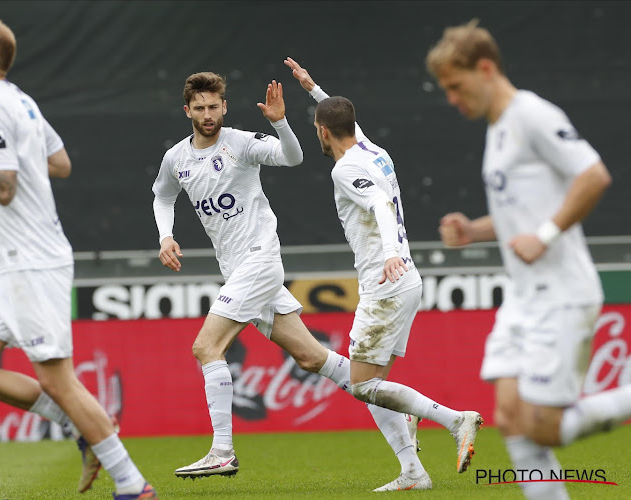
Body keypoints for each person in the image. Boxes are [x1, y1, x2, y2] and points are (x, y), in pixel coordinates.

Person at [0, 18, 156, 500]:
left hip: (33, 261)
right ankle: (81, 427)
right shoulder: (18, 100)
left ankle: (133, 484)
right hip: (9, 265)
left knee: (58, 380)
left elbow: (4, 189)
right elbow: (60, 162)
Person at [153, 71, 420, 482]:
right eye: (200, 108)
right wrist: (166, 235)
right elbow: (163, 195)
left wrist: (280, 121)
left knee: (206, 347)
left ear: (224, 107)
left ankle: (222, 451)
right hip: (237, 269)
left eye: (214, 107)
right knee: (313, 358)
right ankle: (409, 423)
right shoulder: (176, 158)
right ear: (187, 110)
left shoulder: (241, 143)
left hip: (259, 260)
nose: (208, 115)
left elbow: (293, 157)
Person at [426, 20, 631, 500]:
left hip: (561, 294)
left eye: (456, 86)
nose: (453, 99)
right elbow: (522, 212)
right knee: (512, 421)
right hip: (524, 297)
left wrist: (545, 234)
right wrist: (474, 230)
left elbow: (593, 174)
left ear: (486, 68)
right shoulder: (498, 131)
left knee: (545, 429)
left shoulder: (531, 114)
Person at [285, 57, 484, 491]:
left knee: (361, 386)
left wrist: (390, 253)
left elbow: (379, 203)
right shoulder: (374, 150)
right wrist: (314, 89)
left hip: (386, 283)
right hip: (407, 282)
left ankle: (456, 420)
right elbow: (344, 122)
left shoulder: (344, 169)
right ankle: (413, 472)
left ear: (320, 131)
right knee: (376, 385)